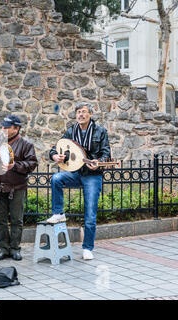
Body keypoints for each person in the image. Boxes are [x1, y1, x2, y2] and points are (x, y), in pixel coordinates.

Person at [48, 102, 111, 260]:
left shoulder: (100, 131)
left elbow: (106, 153)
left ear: (90, 114)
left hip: (92, 176)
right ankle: (58, 213)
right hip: (76, 173)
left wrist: (98, 162)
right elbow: (55, 148)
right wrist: (55, 156)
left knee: (90, 213)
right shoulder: (71, 131)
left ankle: (87, 248)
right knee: (56, 178)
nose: (80, 115)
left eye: (84, 112)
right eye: (78, 112)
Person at [0, 115, 38, 261]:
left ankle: (15, 249)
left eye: (7, 127)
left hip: (17, 187)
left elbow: (32, 163)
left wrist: (16, 166)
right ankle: (3, 249)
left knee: (16, 220)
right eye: (3, 126)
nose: (4, 129)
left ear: (16, 128)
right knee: (0, 219)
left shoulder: (26, 144)